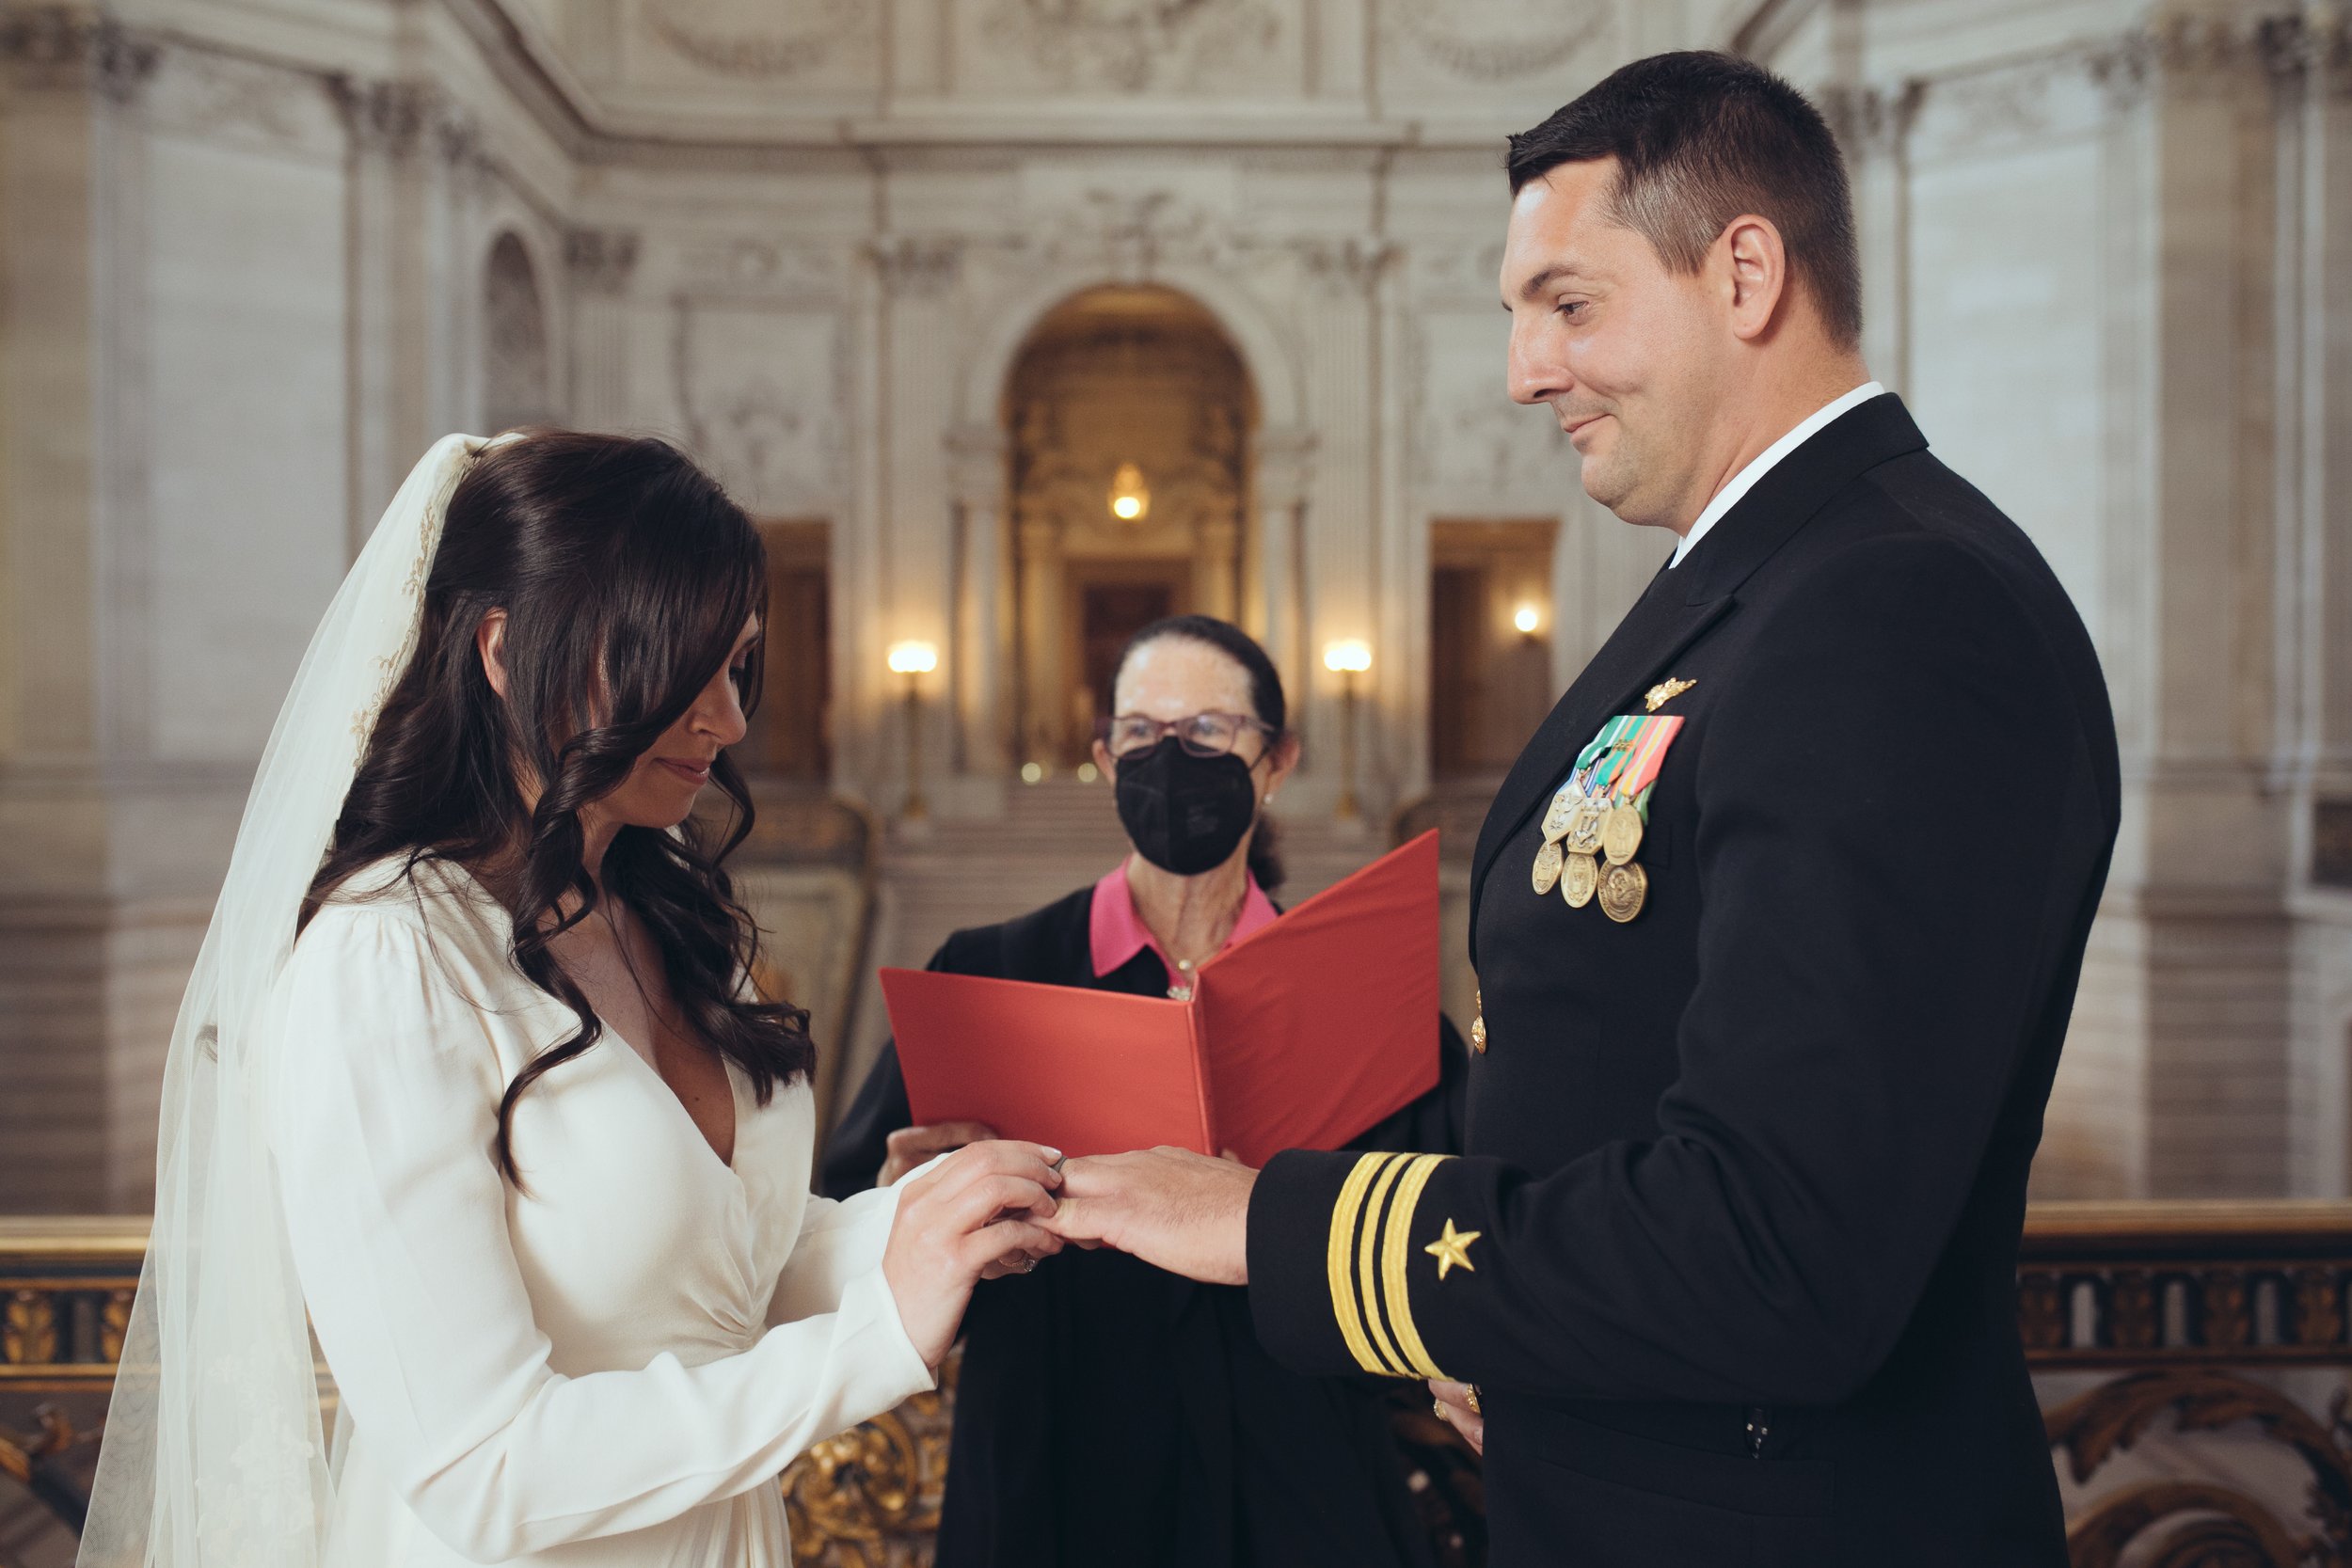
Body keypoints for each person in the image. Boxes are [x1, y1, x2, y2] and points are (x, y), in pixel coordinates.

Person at [1040, 52, 2120, 1568]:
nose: (1524, 371)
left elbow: (1778, 1241)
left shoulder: (1892, 605)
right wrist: (1512, 1332)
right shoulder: (1767, 590)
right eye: (1518, 315)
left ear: (1745, 271)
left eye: (1569, 302)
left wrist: (1269, 1222)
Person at [79, 431, 1062, 1568]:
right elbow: (482, 1466)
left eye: (736, 665)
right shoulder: (385, 966)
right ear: (504, 648)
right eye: (676, 664)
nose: (728, 720)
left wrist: (934, 1216)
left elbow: (725, 1273)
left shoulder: (677, 920)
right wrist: (875, 1337)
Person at [821, 613, 1466, 1568]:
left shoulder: (1363, 991)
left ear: (1276, 758)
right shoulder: (992, 972)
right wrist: (898, 1199)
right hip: (1056, 1469)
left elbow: (1443, 1232)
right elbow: (841, 1220)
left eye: (1207, 732)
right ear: (1103, 753)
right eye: (1140, 734)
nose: (1170, 760)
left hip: (1300, 1466)